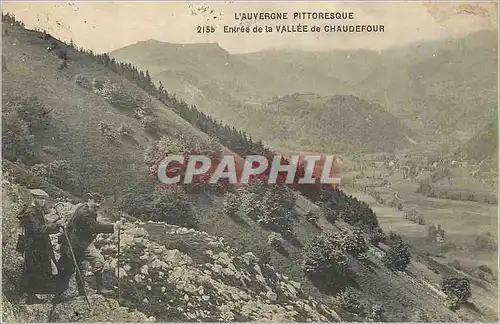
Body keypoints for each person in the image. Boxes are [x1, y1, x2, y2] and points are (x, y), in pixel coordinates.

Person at [57, 194, 120, 297]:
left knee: (93, 262)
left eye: (100, 202)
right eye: (95, 201)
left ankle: (94, 290)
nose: (98, 204)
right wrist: (113, 227)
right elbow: (94, 226)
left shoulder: (88, 210)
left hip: (82, 242)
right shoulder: (83, 213)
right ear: (89, 200)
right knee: (72, 268)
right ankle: (61, 294)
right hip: (74, 244)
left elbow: (94, 223)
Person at [17, 189, 64, 304]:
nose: (43, 201)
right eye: (41, 198)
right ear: (35, 198)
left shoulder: (34, 210)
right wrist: (57, 225)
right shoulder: (31, 212)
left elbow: (41, 225)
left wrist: (54, 222)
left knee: (34, 268)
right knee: (37, 269)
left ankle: (33, 295)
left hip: (36, 244)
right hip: (35, 245)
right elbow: (39, 230)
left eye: (44, 199)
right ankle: (33, 296)